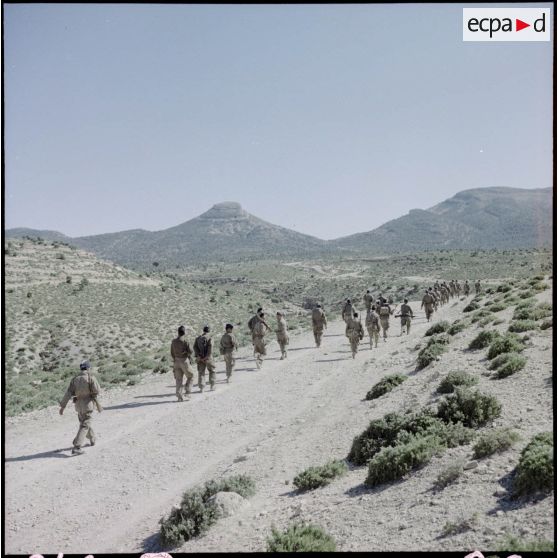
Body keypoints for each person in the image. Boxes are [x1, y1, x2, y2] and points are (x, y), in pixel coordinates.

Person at [59, 360, 101, 456]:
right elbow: (97, 391)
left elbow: (68, 393)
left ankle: (92, 439)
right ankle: (77, 447)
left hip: (78, 405)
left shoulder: (75, 379)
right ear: (88, 368)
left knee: (84, 423)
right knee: (85, 425)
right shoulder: (91, 378)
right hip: (88, 404)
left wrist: (62, 406)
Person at [171, 325, 194, 401]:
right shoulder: (185, 341)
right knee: (191, 376)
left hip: (176, 361)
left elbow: (172, 352)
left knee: (178, 379)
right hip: (184, 361)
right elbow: (191, 351)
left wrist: (175, 358)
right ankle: (187, 392)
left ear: (178, 332)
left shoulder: (173, 341)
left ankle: (179, 396)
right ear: (184, 332)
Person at [194, 326, 216, 392]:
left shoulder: (198, 338)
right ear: (209, 331)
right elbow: (210, 349)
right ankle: (212, 385)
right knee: (212, 371)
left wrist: (199, 356)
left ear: (203, 330)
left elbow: (195, 347)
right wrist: (206, 357)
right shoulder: (210, 338)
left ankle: (201, 388)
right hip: (208, 358)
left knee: (201, 372)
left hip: (200, 358)